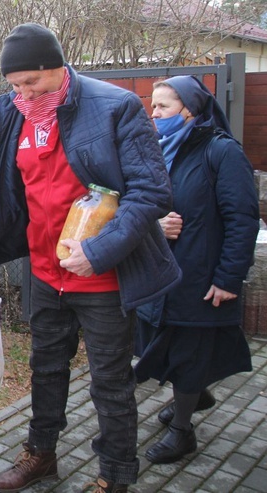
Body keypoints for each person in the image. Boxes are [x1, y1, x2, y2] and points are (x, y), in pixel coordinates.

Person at [0, 23, 181, 493]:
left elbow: (152, 192)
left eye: (30, 82)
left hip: (103, 276)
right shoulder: (15, 114)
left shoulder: (114, 107)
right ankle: (41, 456)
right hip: (44, 272)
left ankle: (115, 475)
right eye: (13, 85)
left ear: (55, 67)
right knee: (46, 369)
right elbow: (11, 195)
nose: (22, 93)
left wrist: (99, 251)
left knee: (111, 383)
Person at [134, 76, 260, 464]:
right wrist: (154, 226)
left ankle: (182, 431)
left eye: (162, 107)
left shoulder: (221, 152)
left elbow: (242, 218)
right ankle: (196, 393)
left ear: (189, 109)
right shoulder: (157, 151)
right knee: (161, 342)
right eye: (152, 107)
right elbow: (140, 203)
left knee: (189, 349)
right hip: (161, 272)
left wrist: (228, 277)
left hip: (201, 275)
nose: (154, 115)